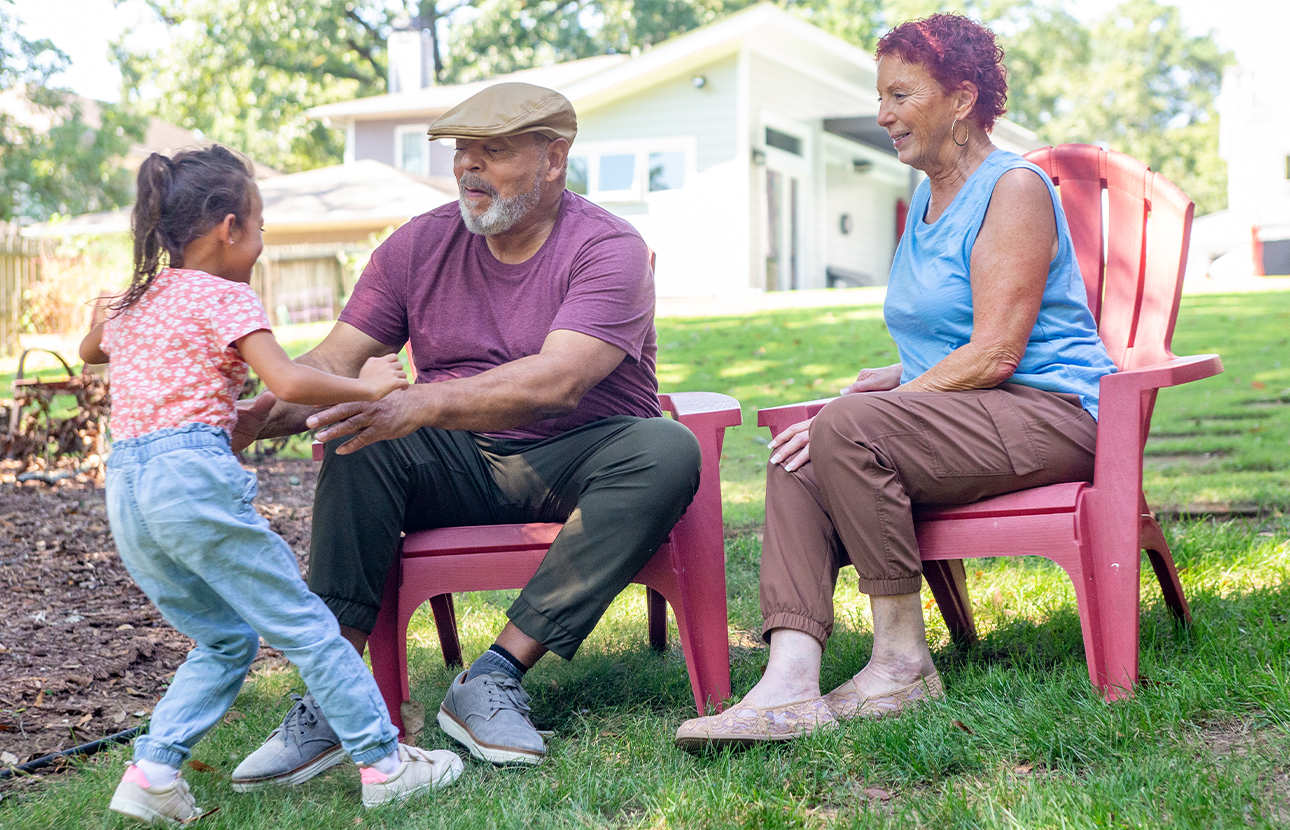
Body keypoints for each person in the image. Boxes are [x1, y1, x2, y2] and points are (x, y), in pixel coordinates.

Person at [230, 83, 701, 781]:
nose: (468, 168)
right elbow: (333, 364)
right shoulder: (416, 246)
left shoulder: (609, 247)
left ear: (553, 158)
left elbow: (556, 381)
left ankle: (494, 676)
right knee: (362, 435)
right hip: (455, 462)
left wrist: (419, 404)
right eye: (462, 152)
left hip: (578, 459)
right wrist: (243, 420)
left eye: (494, 151)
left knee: (666, 448)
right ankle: (332, 696)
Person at [675, 13, 1118, 749]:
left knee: (841, 427)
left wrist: (873, 411)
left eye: (901, 95)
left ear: (962, 99)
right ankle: (789, 681)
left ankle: (902, 661)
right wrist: (898, 377)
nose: (883, 115)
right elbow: (958, 338)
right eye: (881, 97)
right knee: (801, 448)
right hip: (981, 411)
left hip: (1054, 412)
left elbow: (998, 352)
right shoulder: (927, 198)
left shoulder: (1012, 189)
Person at [82, 146, 464, 826]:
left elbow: (90, 348)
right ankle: (384, 763)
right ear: (228, 227)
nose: (260, 244)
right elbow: (286, 383)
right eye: (259, 227)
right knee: (309, 626)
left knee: (225, 640)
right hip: (190, 478)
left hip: (128, 490)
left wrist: (112, 305)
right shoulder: (227, 297)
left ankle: (151, 772)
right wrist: (367, 385)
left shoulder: (137, 302)